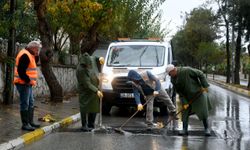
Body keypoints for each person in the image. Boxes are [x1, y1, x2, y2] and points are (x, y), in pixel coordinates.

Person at [165, 64, 212, 136]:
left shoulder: (187, 70)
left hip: (198, 94)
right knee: (185, 112)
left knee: (203, 111)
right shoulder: (173, 79)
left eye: (169, 73)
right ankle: (184, 130)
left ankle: (207, 129)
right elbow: (179, 92)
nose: (169, 75)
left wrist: (204, 85)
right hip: (186, 97)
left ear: (173, 70)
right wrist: (184, 102)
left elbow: (200, 73)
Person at [14, 41, 42, 131]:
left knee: (31, 102)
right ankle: (25, 124)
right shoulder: (25, 55)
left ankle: (30, 122)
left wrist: (37, 54)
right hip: (23, 83)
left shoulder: (30, 54)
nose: (38, 51)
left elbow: (35, 62)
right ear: (33, 48)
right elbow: (21, 71)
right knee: (25, 103)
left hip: (27, 83)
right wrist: (28, 80)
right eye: (37, 49)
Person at [76, 52, 104, 132]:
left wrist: (99, 58)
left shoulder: (90, 59)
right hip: (85, 90)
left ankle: (91, 124)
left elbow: (95, 57)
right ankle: (84, 125)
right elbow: (87, 84)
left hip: (94, 88)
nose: (89, 66)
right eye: (88, 65)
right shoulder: (81, 70)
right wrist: (97, 91)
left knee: (94, 106)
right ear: (85, 64)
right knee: (84, 107)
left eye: (90, 65)